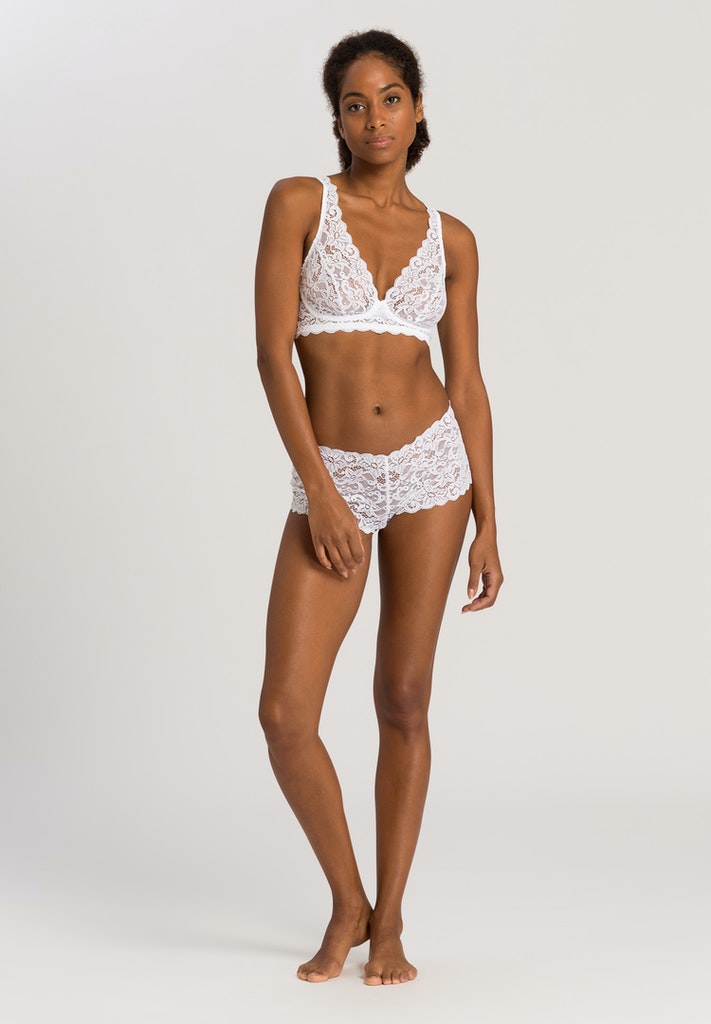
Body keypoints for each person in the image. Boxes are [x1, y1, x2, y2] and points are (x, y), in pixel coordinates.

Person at [255, 28, 503, 986]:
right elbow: (272, 356)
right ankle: (346, 900)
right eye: (354, 104)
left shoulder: (453, 239)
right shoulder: (298, 203)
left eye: (390, 98)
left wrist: (490, 518)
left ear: (418, 107)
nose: (374, 119)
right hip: (335, 478)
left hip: (433, 470)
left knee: (403, 699)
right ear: (337, 118)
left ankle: (389, 922)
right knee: (286, 714)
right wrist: (319, 490)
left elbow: (467, 384)